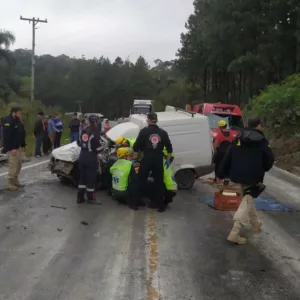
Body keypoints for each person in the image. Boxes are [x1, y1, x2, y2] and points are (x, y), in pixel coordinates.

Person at [217, 116, 275, 245]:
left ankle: (255, 223)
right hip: (253, 175)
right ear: (258, 126)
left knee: (248, 197)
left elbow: (228, 155)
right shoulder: (261, 140)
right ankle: (235, 232)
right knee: (248, 198)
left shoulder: (238, 137)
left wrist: (221, 173)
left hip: (237, 174)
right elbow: (270, 158)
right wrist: (263, 168)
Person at [133, 112, 173, 212]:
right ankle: (160, 205)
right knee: (159, 182)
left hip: (146, 159)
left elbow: (136, 147)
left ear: (148, 120)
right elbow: (169, 148)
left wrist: (134, 160)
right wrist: (167, 161)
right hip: (158, 160)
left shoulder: (143, 132)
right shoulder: (163, 132)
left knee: (140, 181)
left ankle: (135, 203)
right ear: (156, 120)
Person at [77, 114, 103, 205]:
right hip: (91, 157)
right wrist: (104, 146)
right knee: (91, 179)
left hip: (82, 156)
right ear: (96, 121)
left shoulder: (83, 130)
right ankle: (91, 198)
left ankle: (80, 197)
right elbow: (99, 148)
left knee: (82, 179)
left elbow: (79, 143)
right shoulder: (95, 131)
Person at [3, 107, 25, 190]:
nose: (20, 115)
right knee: (13, 165)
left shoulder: (17, 121)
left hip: (18, 146)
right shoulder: (8, 121)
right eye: (19, 113)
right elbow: (7, 136)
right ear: (13, 113)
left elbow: (20, 134)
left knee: (18, 164)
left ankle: (16, 181)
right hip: (12, 147)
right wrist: (11, 148)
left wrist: (22, 145)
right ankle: (10, 183)